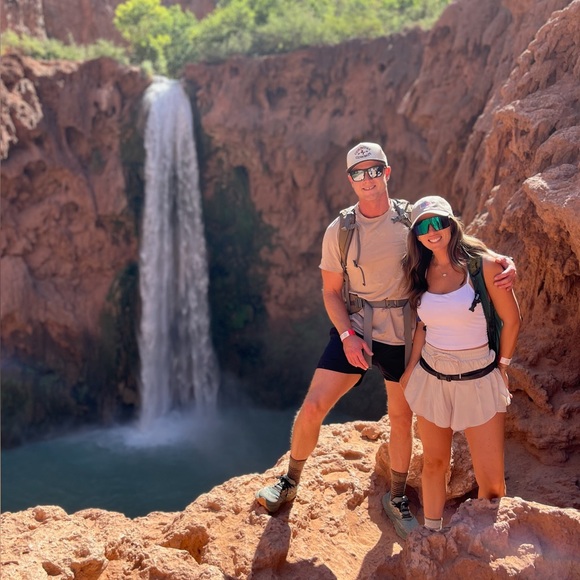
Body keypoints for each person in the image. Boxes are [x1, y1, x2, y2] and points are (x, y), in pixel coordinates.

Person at [255, 143, 516, 539]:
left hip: (403, 331)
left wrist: (504, 262)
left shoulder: (410, 219)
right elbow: (330, 291)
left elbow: (450, 240)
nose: (368, 179)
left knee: (400, 417)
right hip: (357, 326)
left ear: (387, 172)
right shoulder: (340, 230)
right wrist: (347, 336)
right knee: (313, 405)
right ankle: (289, 480)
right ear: (350, 180)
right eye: (358, 173)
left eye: (374, 169)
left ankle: (395, 498)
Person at [400, 195, 521, 532]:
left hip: (479, 375)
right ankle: (432, 535)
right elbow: (423, 325)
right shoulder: (419, 271)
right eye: (423, 226)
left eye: (438, 222)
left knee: (491, 481)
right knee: (434, 463)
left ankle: (485, 545)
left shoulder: (483, 267)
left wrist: (502, 367)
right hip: (432, 374)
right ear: (416, 235)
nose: (432, 231)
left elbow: (512, 320)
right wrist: (411, 369)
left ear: (451, 224)